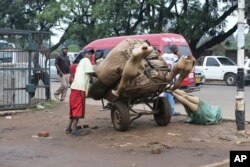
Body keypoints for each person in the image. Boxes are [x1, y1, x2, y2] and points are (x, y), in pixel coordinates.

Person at [66, 49, 94, 136]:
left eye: (91, 54)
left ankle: (68, 128)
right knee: (78, 109)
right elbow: (91, 73)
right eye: (88, 53)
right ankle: (74, 129)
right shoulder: (86, 60)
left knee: (74, 109)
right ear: (84, 55)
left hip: (75, 87)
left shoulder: (81, 63)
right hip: (80, 88)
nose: (90, 55)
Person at [162, 45, 181, 116]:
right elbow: (177, 67)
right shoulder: (174, 57)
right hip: (170, 77)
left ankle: (164, 109)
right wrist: (179, 56)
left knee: (163, 93)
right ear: (175, 50)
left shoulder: (163, 55)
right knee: (170, 94)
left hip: (163, 77)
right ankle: (172, 111)